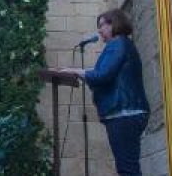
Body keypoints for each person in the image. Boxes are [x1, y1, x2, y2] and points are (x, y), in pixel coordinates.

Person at [61, 9, 149, 176]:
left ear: (114, 24)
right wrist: (83, 74)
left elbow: (103, 75)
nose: (99, 30)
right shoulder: (121, 45)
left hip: (124, 112)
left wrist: (77, 72)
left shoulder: (118, 44)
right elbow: (104, 76)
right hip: (125, 112)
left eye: (102, 25)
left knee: (127, 169)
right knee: (127, 168)